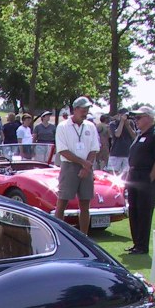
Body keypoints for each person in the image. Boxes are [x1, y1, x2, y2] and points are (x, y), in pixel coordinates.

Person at [54, 96, 101, 235]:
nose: (85, 112)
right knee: (62, 202)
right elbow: (63, 150)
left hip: (87, 167)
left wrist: (87, 166)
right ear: (75, 109)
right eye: (83, 109)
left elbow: (94, 148)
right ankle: (59, 234)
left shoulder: (90, 126)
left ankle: (84, 235)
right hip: (69, 167)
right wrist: (83, 163)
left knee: (85, 204)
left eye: (87, 109)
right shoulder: (63, 126)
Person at [123, 107, 155, 256]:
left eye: (139, 117)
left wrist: (149, 179)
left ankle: (142, 245)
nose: (136, 120)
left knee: (143, 212)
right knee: (134, 210)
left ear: (148, 118)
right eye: (135, 118)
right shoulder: (140, 135)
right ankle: (136, 242)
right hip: (134, 176)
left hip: (145, 177)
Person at [107, 107, 135, 175]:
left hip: (127, 153)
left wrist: (128, 125)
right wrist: (122, 122)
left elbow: (134, 136)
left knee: (126, 176)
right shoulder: (113, 124)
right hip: (116, 153)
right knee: (113, 175)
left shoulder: (130, 123)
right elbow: (117, 134)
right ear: (119, 115)